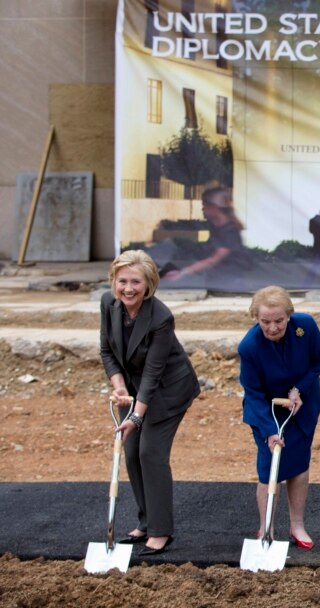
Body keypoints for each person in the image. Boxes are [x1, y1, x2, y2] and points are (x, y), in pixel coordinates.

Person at [99, 250, 200, 556]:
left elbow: (154, 374)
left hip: (168, 389)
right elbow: (106, 350)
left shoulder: (161, 317)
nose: (128, 288)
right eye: (122, 281)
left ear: (149, 285)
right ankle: (146, 521)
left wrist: (136, 416)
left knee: (150, 453)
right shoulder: (108, 303)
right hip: (131, 389)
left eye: (136, 282)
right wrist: (118, 388)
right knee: (131, 453)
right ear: (114, 281)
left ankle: (161, 531)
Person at [238, 286, 320, 549]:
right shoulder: (249, 347)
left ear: (289, 315)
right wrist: (269, 430)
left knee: (299, 465)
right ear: (256, 318)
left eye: (279, 321)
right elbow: (253, 392)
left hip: (302, 406)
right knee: (269, 469)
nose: (273, 327)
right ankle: (266, 529)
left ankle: (297, 525)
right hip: (266, 410)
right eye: (266, 322)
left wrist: (298, 389)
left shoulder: (306, 327)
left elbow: (317, 363)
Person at [163, 187, 250, 282]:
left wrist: (182, 273)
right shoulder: (215, 227)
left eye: (204, 205)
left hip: (230, 284)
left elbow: (213, 260)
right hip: (216, 281)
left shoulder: (230, 232)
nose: (202, 209)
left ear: (214, 207)